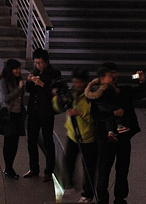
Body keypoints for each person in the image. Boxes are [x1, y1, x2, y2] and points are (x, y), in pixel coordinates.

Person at [86, 64, 146, 204]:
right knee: (104, 168)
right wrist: (112, 114)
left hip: (123, 136)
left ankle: (120, 198)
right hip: (105, 137)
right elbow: (95, 114)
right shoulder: (98, 93)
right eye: (110, 74)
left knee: (123, 168)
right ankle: (103, 198)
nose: (114, 76)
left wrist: (142, 80)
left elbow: (141, 92)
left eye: (115, 73)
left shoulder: (123, 91)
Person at [57, 69, 97, 201]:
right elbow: (60, 107)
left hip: (88, 137)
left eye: (79, 82)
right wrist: (57, 97)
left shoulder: (91, 94)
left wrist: (79, 112)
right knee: (68, 161)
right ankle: (71, 185)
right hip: (72, 134)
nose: (76, 84)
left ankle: (87, 194)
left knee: (88, 168)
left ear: (85, 82)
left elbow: (95, 116)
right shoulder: (71, 92)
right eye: (74, 82)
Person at [24, 47, 62, 180]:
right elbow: (29, 90)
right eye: (36, 63)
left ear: (46, 62)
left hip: (46, 112)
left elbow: (53, 91)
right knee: (31, 141)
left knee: (48, 141)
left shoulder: (54, 74)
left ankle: (48, 171)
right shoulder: (35, 72)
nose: (38, 65)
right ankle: (34, 168)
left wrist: (41, 83)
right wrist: (29, 81)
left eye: (40, 62)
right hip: (33, 112)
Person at [0, 59, 26, 179]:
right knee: (8, 143)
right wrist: (19, 89)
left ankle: (10, 167)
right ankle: (8, 168)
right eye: (15, 69)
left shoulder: (18, 80)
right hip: (9, 116)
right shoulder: (4, 81)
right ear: (10, 70)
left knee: (15, 143)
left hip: (18, 115)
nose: (18, 71)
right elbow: (6, 98)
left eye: (19, 68)